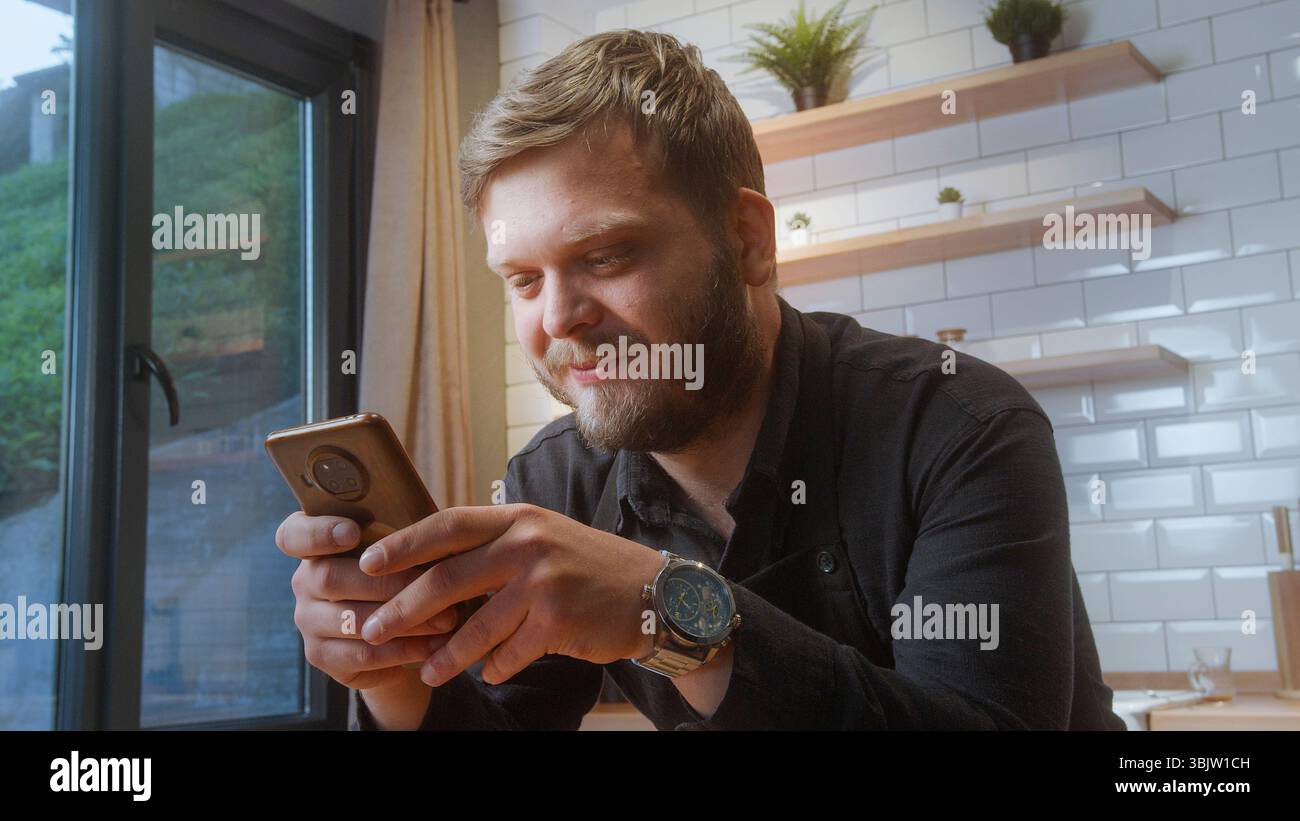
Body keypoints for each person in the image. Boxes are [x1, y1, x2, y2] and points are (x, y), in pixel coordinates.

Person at [274, 29, 1125, 731]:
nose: (559, 317)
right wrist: (394, 677)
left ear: (748, 239)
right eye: (524, 279)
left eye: (605, 256)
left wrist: (671, 611)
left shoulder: (961, 424)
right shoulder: (557, 481)